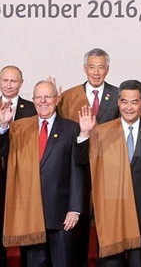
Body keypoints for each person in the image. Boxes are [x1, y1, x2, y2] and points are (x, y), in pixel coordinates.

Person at [0, 80, 91, 267]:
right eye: (38, 97)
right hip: (30, 215)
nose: (43, 101)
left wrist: (74, 208)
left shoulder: (71, 128)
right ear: (33, 100)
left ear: (57, 99)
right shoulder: (20, 128)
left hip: (61, 216)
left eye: (47, 96)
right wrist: (3, 126)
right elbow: (4, 152)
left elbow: (78, 168)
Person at [87, 79, 141, 267]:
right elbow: (86, 164)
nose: (129, 107)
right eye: (124, 101)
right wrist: (84, 134)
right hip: (111, 212)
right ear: (118, 102)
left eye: (134, 102)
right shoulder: (103, 131)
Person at [57, 47, 119, 267]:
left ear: (107, 69)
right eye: (91, 67)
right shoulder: (68, 97)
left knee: (107, 226)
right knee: (78, 225)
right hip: (77, 170)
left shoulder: (119, 95)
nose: (96, 72)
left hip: (108, 172)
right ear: (84, 68)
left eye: (101, 67)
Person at [0, 65, 37, 266]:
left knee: (25, 231)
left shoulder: (32, 109)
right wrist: (3, 126)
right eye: (5, 80)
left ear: (21, 84)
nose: (9, 85)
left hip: (24, 180)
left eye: (13, 81)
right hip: (1, 178)